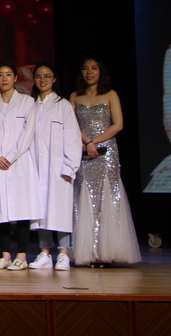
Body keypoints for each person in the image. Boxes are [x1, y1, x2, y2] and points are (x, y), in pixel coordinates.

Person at [69, 57, 141, 266]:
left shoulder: (111, 94)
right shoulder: (74, 96)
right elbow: (71, 124)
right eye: (85, 69)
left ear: (101, 72)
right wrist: (87, 142)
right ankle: (88, 252)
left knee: (107, 197)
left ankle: (107, 252)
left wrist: (95, 141)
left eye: (94, 68)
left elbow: (118, 125)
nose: (89, 72)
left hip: (106, 152)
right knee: (85, 198)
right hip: (83, 152)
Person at [0, 63, 41, 271]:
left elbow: (28, 134)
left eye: (8, 74)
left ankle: (22, 256)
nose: (4, 78)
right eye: (0, 75)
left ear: (15, 78)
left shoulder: (27, 102)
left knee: (22, 209)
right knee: (1, 212)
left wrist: (10, 157)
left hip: (20, 162)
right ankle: (5, 255)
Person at [27, 63, 81, 271]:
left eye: (47, 76)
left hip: (58, 168)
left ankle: (63, 254)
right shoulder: (31, 105)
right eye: (39, 76)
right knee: (40, 213)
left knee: (60, 211)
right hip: (36, 167)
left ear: (54, 79)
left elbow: (73, 138)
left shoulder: (63, 105)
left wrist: (69, 166)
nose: (43, 80)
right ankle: (45, 253)